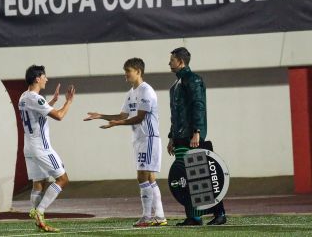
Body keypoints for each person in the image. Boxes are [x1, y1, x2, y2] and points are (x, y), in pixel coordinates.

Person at [84, 58, 167, 227]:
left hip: (149, 138)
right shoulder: (131, 93)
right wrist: (101, 116)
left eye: (127, 71)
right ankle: (159, 216)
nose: (125, 75)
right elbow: (123, 116)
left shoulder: (146, 90)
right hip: (139, 139)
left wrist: (118, 124)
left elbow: (140, 117)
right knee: (149, 177)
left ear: (138, 71)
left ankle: (147, 216)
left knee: (142, 176)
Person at [167, 47, 227, 226]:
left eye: (172, 60)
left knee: (202, 176)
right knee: (187, 179)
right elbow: (175, 115)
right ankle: (193, 217)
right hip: (180, 138)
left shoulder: (193, 80)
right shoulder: (175, 86)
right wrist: (171, 138)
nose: (169, 63)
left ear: (180, 61)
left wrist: (197, 132)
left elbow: (198, 106)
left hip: (191, 136)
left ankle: (220, 213)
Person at [19, 65, 75, 232]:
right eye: (44, 76)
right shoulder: (36, 98)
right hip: (42, 148)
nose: (46, 79)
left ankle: (37, 219)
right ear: (37, 78)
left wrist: (53, 101)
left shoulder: (24, 96)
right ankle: (40, 211)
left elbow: (37, 113)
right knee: (63, 179)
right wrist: (69, 101)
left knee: (38, 183)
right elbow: (59, 116)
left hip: (29, 148)